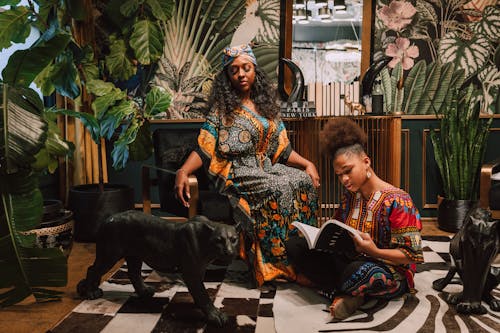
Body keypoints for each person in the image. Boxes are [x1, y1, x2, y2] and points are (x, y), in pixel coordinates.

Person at [175, 44, 320, 286]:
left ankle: (303, 258)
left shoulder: (267, 108)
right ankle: (274, 266)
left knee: (303, 181)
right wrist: (183, 170)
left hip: (266, 167)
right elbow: (205, 147)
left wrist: (308, 164)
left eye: (246, 68)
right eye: (234, 70)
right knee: (279, 188)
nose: (241, 74)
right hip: (238, 170)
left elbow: (283, 150)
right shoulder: (222, 110)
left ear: (255, 71)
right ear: (228, 77)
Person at [285, 117, 423, 320]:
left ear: (366, 161)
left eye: (348, 171)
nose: (344, 179)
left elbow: (412, 256)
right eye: (339, 175)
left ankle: (337, 290)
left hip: (387, 271)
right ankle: (350, 293)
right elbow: (336, 231)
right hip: (349, 259)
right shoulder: (350, 197)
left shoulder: (399, 201)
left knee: (359, 272)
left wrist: (373, 251)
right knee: (295, 245)